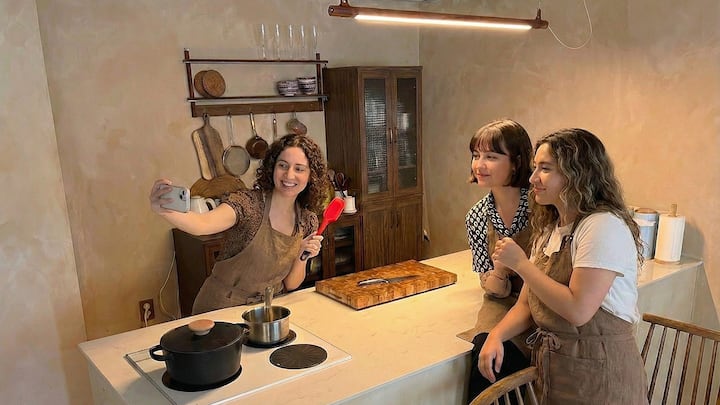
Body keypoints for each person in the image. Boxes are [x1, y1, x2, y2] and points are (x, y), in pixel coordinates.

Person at [475, 128, 648, 404]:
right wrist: (496, 335)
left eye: (545, 169)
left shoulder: (602, 226)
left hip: (600, 375)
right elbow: (526, 304)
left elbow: (578, 310)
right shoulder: (550, 230)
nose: (532, 178)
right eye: (535, 168)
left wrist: (520, 264)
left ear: (577, 174)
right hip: (556, 370)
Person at [150, 133, 329, 315]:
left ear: (311, 176)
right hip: (221, 308)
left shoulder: (307, 221)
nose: (289, 175)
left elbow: (291, 284)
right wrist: (165, 210)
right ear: (272, 167)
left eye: (299, 169)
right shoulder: (248, 204)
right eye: (283, 165)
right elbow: (202, 224)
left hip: (268, 311)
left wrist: (302, 255)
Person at [465, 119, 535, 402]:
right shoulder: (477, 216)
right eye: (476, 155)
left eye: (491, 157)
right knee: (487, 356)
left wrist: (521, 265)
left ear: (516, 163)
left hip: (543, 299)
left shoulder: (542, 207)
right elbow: (491, 288)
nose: (479, 165)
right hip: (502, 304)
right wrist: (501, 270)